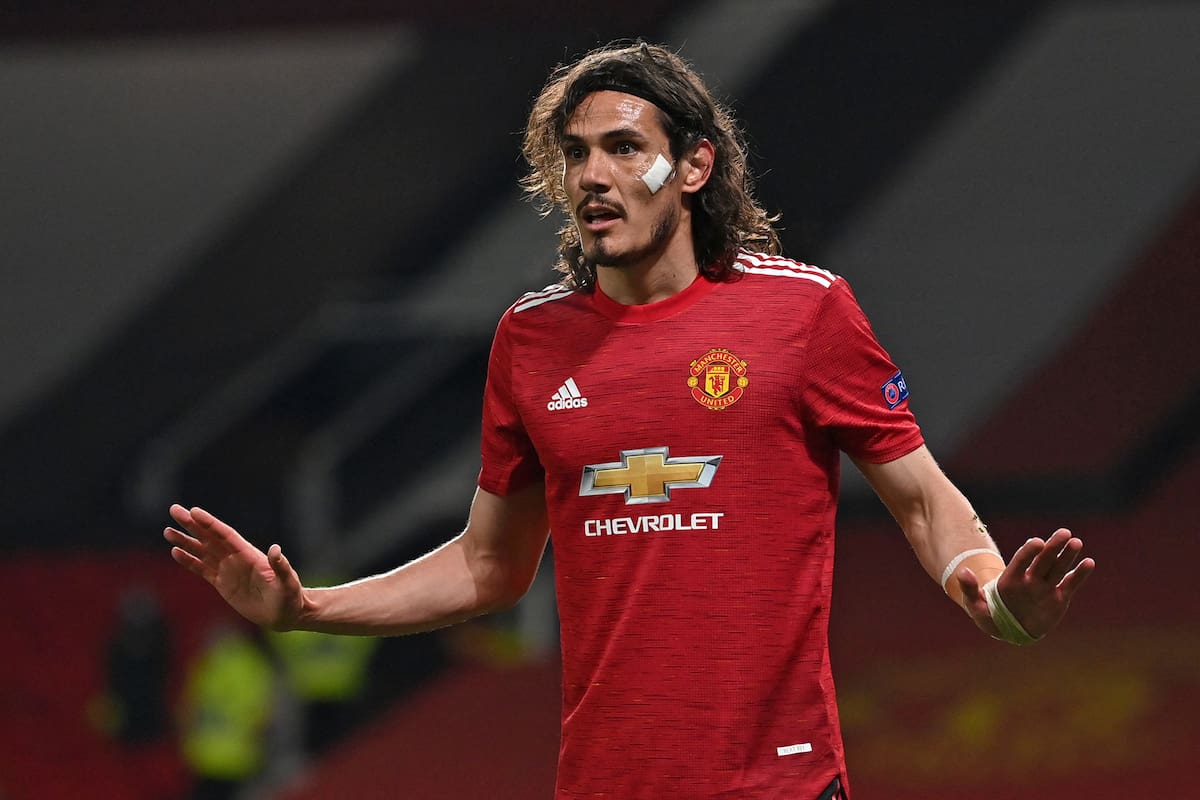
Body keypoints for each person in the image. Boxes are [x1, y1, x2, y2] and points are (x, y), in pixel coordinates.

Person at [163, 41, 1095, 799]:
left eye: (622, 146)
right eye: (574, 153)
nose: (593, 176)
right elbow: (489, 566)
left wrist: (996, 601)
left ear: (694, 165)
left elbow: (927, 503)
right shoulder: (531, 343)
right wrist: (306, 609)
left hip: (775, 786)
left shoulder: (804, 315)